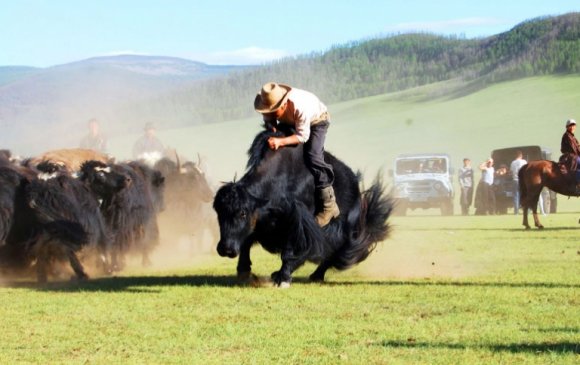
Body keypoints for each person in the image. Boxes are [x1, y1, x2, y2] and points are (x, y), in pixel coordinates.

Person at [253, 82, 339, 226]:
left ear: (284, 104)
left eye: (274, 111)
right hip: (292, 122)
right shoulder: (269, 105)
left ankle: (329, 205)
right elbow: (269, 119)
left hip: (317, 121)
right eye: (268, 111)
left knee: (313, 156)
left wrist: (280, 141)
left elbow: (302, 136)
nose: (271, 114)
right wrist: (272, 127)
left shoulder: (300, 107)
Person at [509, 150, 527, 215]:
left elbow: (510, 172)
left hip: (515, 180)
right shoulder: (524, 161)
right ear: (521, 155)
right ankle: (526, 210)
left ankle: (516, 212)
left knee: (516, 196)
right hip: (523, 181)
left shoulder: (513, 162)